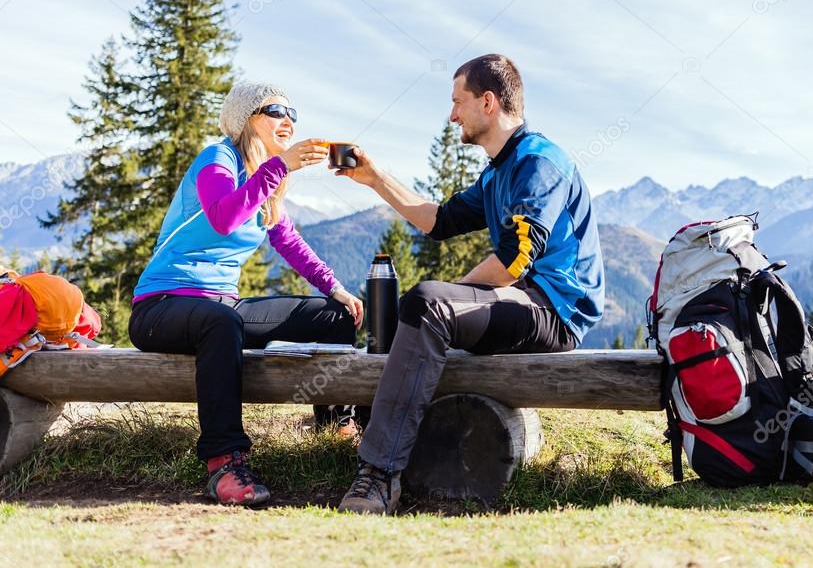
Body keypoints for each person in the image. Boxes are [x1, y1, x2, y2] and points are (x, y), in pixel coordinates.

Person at [335, 54, 604, 514]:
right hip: (519, 303)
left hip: (555, 312)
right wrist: (375, 179)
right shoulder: (499, 170)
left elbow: (515, 261)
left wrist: (452, 297)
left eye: (457, 102)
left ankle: (379, 476)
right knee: (429, 305)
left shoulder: (540, 162)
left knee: (428, 304)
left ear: (488, 101)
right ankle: (368, 431)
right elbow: (438, 221)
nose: (452, 114)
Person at [129, 82, 364, 506]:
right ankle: (225, 464)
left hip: (223, 308)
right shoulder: (218, 158)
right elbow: (223, 216)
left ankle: (338, 428)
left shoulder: (269, 185)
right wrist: (282, 167)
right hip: (161, 307)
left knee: (336, 316)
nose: (288, 120)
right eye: (276, 110)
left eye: (294, 114)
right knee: (222, 321)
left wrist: (337, 289)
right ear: (247, 118)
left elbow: (289, 243)